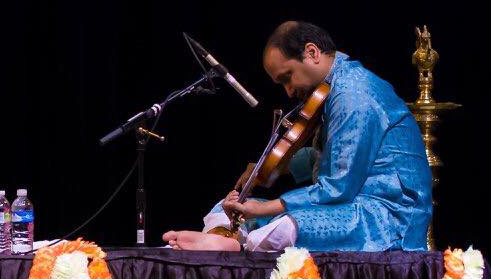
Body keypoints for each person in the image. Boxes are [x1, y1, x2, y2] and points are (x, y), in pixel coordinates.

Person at [164, 21, 433, 252]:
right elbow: (328, 155)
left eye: (287, 78)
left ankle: (238, 243)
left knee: (284, 228)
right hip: (346, 206)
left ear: (312, 52)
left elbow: (338, 188)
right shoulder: (331, 90)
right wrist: (271, 168)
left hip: (383, 215)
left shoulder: (354, 95)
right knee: (222, 210)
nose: (289, 92)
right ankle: (222, 239)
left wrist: (265, 208)